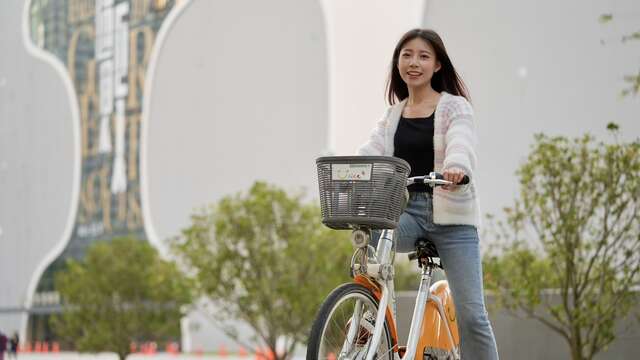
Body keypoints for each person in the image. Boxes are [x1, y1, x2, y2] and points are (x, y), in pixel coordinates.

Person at [357, 28, 499, 359]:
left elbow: (461, 141)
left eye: (423, 56)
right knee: (368, 233)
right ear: (397, 63)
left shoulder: (454, 107)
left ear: (437, 65)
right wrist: (351, 171)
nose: (414, 62)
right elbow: (371, 150)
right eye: (406, 55)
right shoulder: (393, 115)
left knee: (473, 316)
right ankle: (370, 311)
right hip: (409, 214)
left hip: (454, 221)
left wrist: (456, 167)